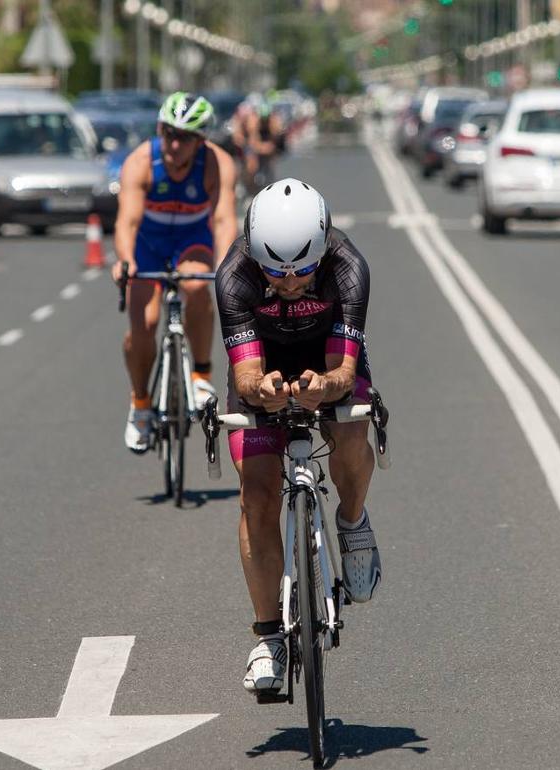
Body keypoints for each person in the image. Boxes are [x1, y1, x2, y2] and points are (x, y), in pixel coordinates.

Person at [214, 178, 382, 696]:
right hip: (263, 365)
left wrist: (327, 386)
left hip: (326, 361)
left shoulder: (349, 269)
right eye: (275, 273)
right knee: (258, 496)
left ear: (322, 247)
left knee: (351, 432)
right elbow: (245, 377)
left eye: (302, 272)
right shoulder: (234, 277)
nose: (288, 284)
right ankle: (268, 637)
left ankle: (352, 519)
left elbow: (342, 368)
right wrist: (259, 388)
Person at [111, 92, 238, 453]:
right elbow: (127, 220)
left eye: (184, 137)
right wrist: (125, 261)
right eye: (167, 132)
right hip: (148, 243)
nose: (173, 143)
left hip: (191, 238)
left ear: (201, 141)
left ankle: (200, 375)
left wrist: (225, 262)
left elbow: (224, 218)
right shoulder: (140, 162)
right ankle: (140, 405)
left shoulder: (217, 163)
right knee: (144, 325)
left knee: (198, 286)